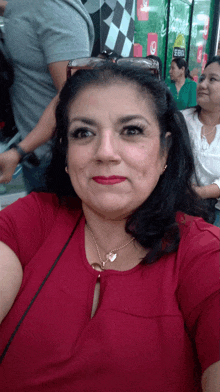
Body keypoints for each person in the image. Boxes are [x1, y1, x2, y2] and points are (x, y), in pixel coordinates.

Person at [0, 64, 219, 391]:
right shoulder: (31, 220)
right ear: (66, 153)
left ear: (165, 153)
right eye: (83, 133)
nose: (104, 152)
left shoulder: (203, 255)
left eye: (131, 130)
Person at [0, 0, 94, 192]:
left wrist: (20, 150)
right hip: (32, 157)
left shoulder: (51, 7)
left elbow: (73, 94)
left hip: (57, 161)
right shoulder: (15, 11)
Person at [182, 56, 220, 228]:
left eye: (212, 79)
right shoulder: (182, 120)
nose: (202, 85)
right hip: (179, 207)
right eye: (202, 78)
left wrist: (201, 192)